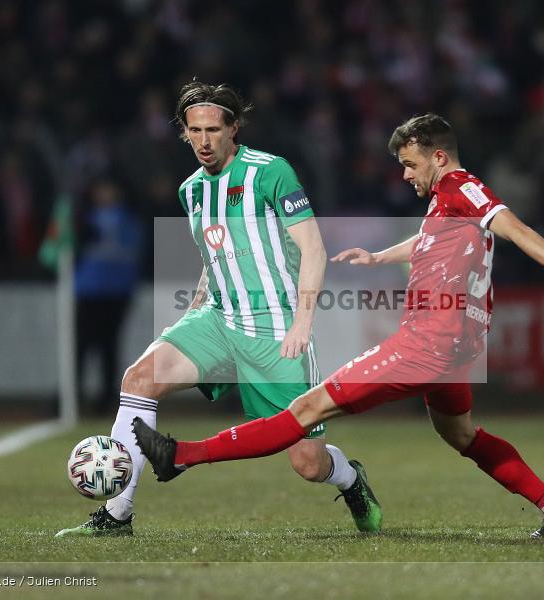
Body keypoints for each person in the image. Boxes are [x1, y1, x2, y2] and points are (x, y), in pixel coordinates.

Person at [132, 113, 544, 537]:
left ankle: (182, 456)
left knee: (306, 407)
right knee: (462, 436)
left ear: (438, 157)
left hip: (428, 341)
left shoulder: (461, 186)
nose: (406, 175)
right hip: (459, 347)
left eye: (410, 165)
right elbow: (427, 242)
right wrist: (379, 256)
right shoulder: (447, 204)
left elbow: (512, 227)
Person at [57, 82, 381, 537]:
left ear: (234, 128)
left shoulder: (271, 172)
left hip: (275, 327)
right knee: (139, 379)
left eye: (213, 129)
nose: (204, 141)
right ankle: (117, 514)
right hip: (218, 320)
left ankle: (350, 479)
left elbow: (313, 248)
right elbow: (216, 253)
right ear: (183, 133)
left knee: (307, 463)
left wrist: (303, 322)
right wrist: (196, 304)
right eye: (194, 131)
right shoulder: (190, 190)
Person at [74, 178, 143, 415]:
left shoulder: (125, 220)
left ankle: (105, 397)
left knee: (107, 346)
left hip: (113, 290)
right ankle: (74, 396)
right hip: (91, 289)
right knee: (83, 345)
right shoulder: (86, 218)